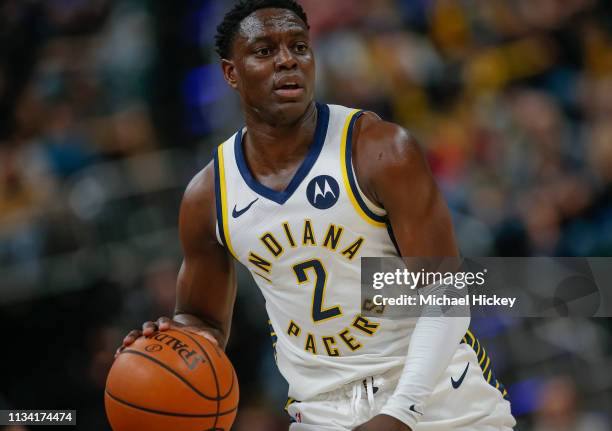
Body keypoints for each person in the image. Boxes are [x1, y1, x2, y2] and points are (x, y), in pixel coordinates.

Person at [118, 1, 515, 429]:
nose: (287, 59)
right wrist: (172, 343)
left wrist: (402, 412)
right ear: (231, 73)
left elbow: (447, 295)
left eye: (299, 47)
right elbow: (203, 319)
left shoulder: (381, 150)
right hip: (322, 412)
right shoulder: (207, 195)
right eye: (265, 50)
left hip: (438, 400)